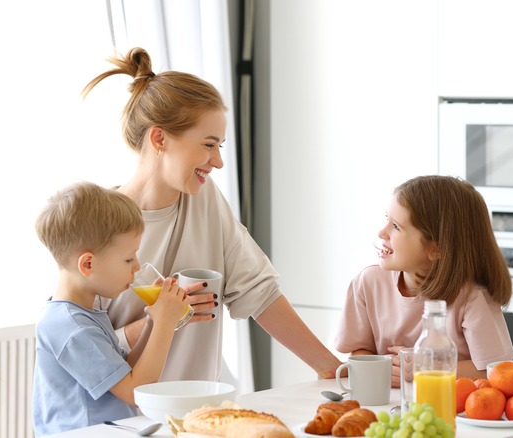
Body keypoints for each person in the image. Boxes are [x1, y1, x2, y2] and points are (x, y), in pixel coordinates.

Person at [81, 47, 342, 382]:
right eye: (208, 145)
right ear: (159, 138)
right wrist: (163, 316)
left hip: (200, 409)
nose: (217, 161)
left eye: (220, 146)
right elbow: (80, 350)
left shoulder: (204, 200)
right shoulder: (94, 222)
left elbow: (259, 293)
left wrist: (331, 368)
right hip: (125, 419)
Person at [32, 182, 189, 435]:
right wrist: (165, 323)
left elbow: (125, 374)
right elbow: (136, 392)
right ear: (88, 264)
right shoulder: (72, 327)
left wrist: (152, 321)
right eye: (128, 258)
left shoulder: (82, 314)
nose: (137, 267)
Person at [334, 175, 513, 386]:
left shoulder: (471, 298)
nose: (382, 232)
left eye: (396, 226)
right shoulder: (369, 282)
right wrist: (381, 367)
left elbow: (495, 370)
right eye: (387, 219)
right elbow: (359, 351)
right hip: (389, 406)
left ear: (435, 249)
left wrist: (424, 367)